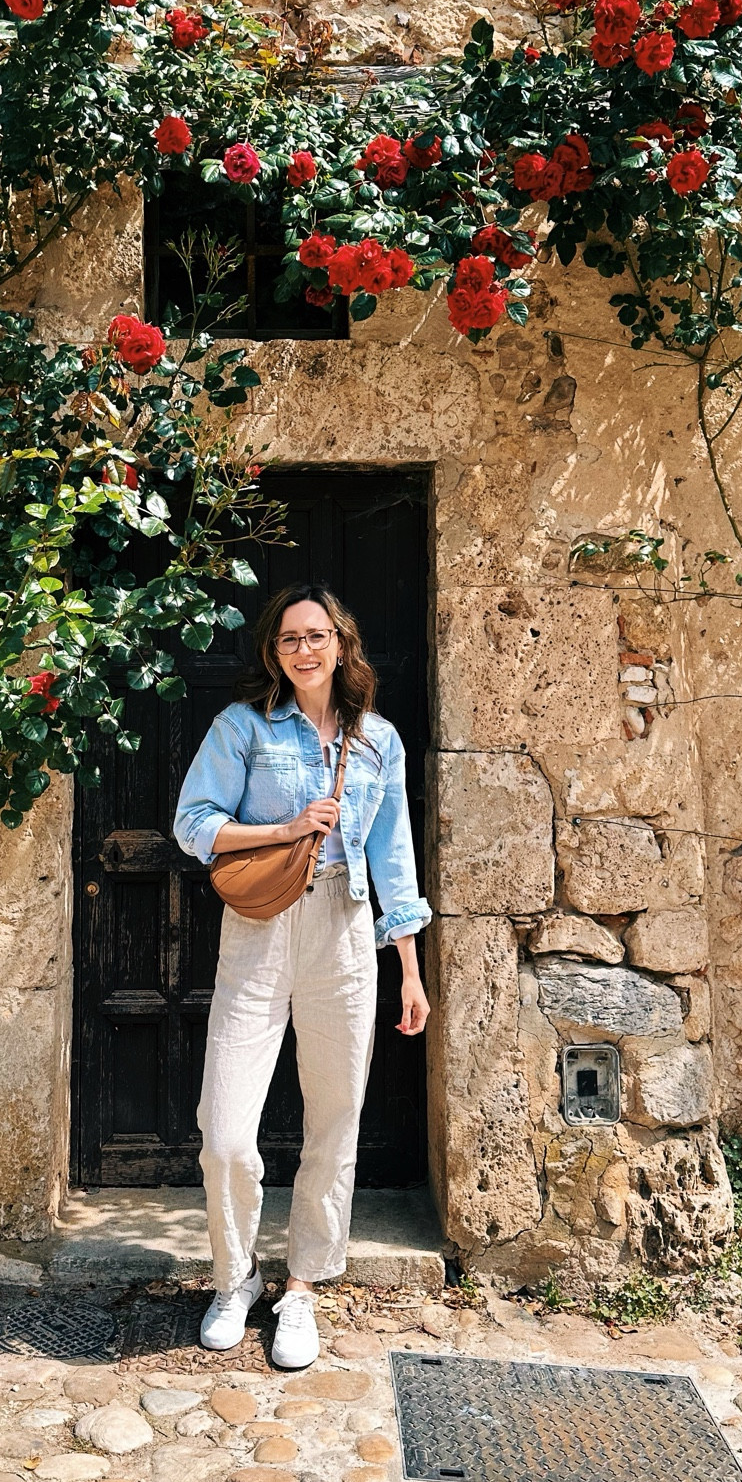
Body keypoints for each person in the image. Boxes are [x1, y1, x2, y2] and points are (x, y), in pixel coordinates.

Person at [172, 583, 431, 1370]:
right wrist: (284, 829)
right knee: (224, 1136)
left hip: (345, 934)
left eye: (317, 636)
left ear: (342, 646)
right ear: (274, 651)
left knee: (334, 1123)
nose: (305, 649)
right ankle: (234, 1279)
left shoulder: (379, 741)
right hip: (257, 929)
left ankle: (305, 1287)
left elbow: (394, 860)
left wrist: (409, 972)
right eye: (290, 639)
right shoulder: (242, 727)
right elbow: (193, 824)